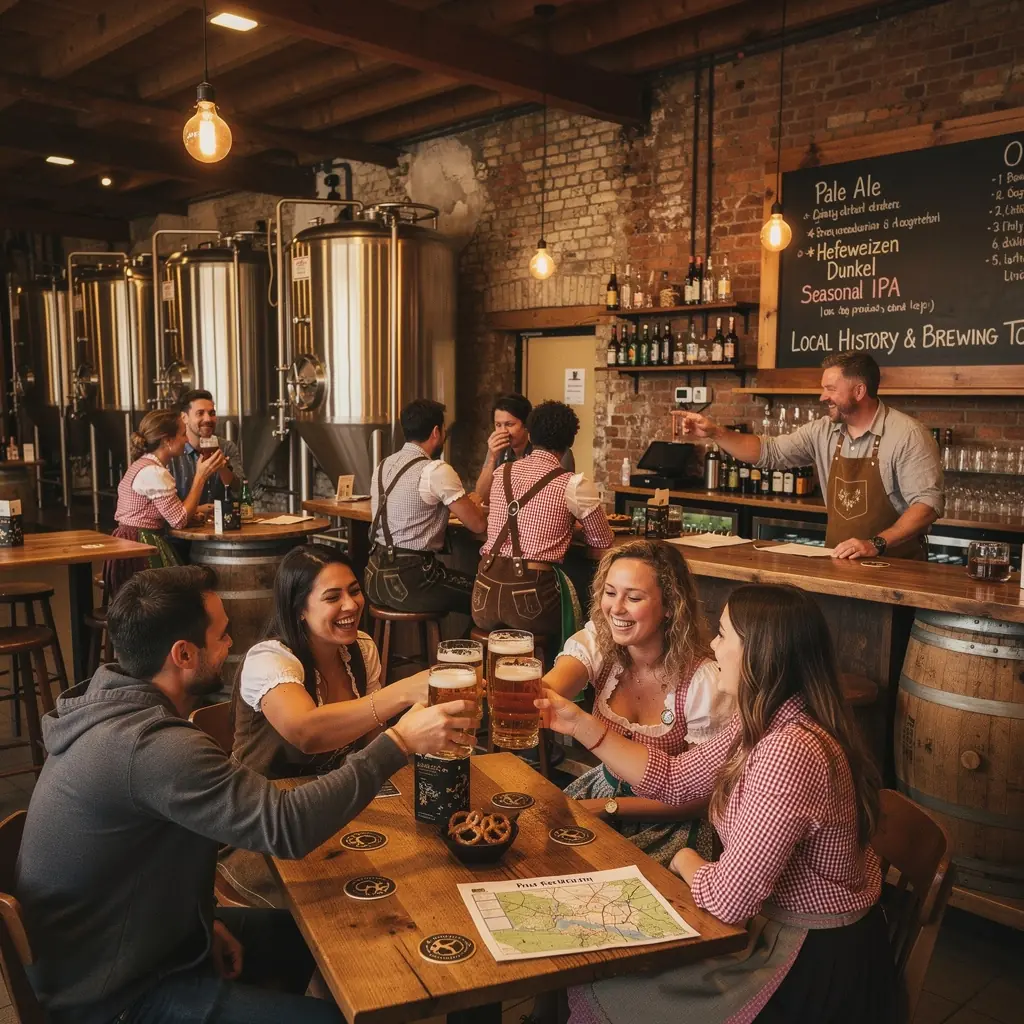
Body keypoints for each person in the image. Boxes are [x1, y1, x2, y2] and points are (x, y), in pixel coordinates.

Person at [15, 565, 474, 1024]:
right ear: (183, 654)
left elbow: (135, 865)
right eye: (222, 635)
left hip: (135, 946)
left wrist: (199, 924)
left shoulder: (112, 702)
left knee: (327, 932)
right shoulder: (151, 746)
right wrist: (397, 743)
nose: (231, 645)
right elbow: (287, 826)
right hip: (113, 998)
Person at [537, 584, 895, 1024]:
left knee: (613, 981)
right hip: (776, 931)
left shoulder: (788, 752)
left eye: (724, 635)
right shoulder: (768, 717)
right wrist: (575, 722)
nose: (712, 646)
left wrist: (684, 859)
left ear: (760, 651)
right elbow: (676, 777)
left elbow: (729, 900)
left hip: (812, 964)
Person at [548, 540, 733, 865]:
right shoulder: (600, 643)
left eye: (633, 597)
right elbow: (551, 688)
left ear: (669, 606)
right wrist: (519, 690)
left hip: (670, 821)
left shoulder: (704, 681)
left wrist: (610, 808)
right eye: (610, 592)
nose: (616, 608)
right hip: (601, 795)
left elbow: (704, 797)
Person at [680, 352, 943, 559]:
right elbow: (768, 452)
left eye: (830, 389)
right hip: (839, 560)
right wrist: (715, 432)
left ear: (859, 391)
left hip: (895, 567)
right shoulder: (823, 431)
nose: (822, 396)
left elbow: (927, 505)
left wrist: (876, 543)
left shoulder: (907, 434)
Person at [472, 400, 612, 640]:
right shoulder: (573, 483)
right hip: (531, 606)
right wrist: (571, 528)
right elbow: (602, 541)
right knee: (586, 614)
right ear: (570, 441)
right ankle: (567, 675)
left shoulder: (501, 472)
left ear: (531, 434)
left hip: (482, 600)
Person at [365, 398, 487, 615]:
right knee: (489, 595)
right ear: (436, 432)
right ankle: (457, 649)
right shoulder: (436, 470)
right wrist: (473, 503)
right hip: (412, 582)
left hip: (373, 578)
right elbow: (478, 525)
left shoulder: (383, 465)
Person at [102, 408, 227, 600]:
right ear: (167, 441)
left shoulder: (145, 465)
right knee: (174, 598)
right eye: (183, 434)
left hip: (128, 541)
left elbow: (168, 511)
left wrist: (197, 509)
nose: (186, 440)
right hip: (140, 545)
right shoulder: (154, 472)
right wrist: (200, 477)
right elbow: (178, 519)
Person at [474, 393, 575, 499]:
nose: (503, 431)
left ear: (526, 425)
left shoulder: (548, 449)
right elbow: (480, 496)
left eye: (509, 424)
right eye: (498, 425)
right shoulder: (496, 450)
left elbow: (563, 494)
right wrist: (492, 458)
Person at [169, 389, 243, 504]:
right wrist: (196, 511)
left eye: (212, 413)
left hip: (223, 520)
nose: (208, 419)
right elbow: (166, 508)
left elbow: (242, 493)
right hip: (187, 522)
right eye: (200, 413)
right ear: (184, 417)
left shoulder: (226, 447)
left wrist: (223, 468)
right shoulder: (173, 451)